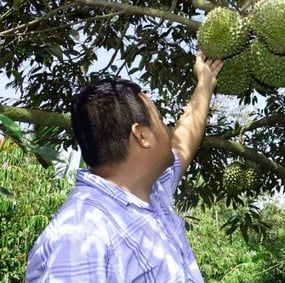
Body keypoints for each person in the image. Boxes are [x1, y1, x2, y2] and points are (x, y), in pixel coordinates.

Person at [26, 53, 222, 282]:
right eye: (159, 118)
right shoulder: (81, 235)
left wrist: (205, 84)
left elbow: (184, 140)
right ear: (141, 134)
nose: (168, 129)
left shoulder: (151, 192)